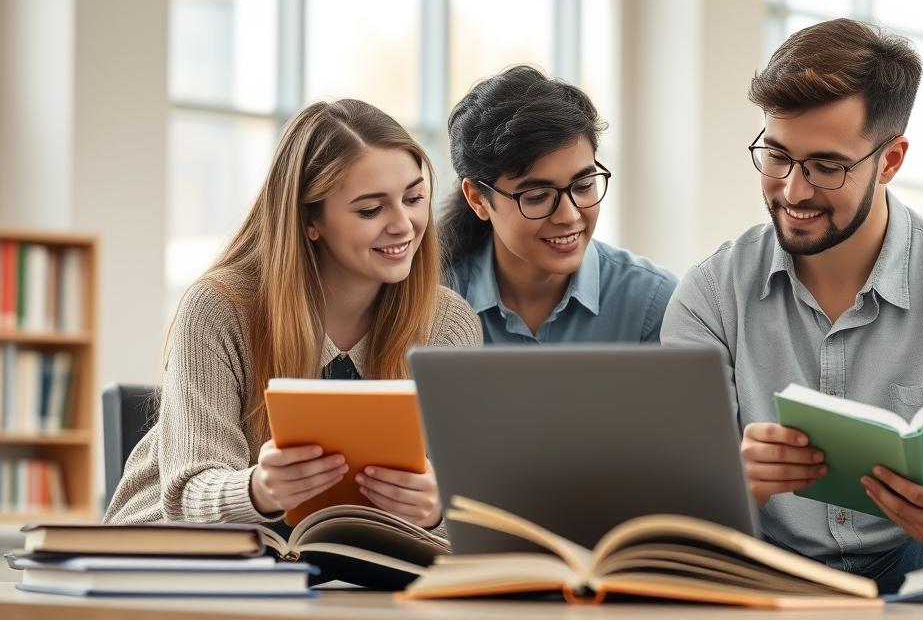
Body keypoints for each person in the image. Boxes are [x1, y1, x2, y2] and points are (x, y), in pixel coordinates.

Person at [660, 18, 923, 593]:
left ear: (890, 161)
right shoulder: (711, 293)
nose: (792, 190)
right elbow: (672, 505)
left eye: (826, 166)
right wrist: (732, 482)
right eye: (777, 156)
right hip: (765, 573)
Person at [106, 99, 482, 536]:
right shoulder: (218, 308)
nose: (404, 224)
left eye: (414, 198)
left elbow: (469, 507)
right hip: (167, 559)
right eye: (370, 209)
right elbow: (187, 494)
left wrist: (436, 510)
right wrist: (259, 490)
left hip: (348, 576)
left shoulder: (448, 322)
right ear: (309, 221)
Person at [440, 66, 676, 343]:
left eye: (584, 186)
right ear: (478, 199)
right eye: (537, 196)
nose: (569, 215)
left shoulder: (653, 303)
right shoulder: (430, 304)